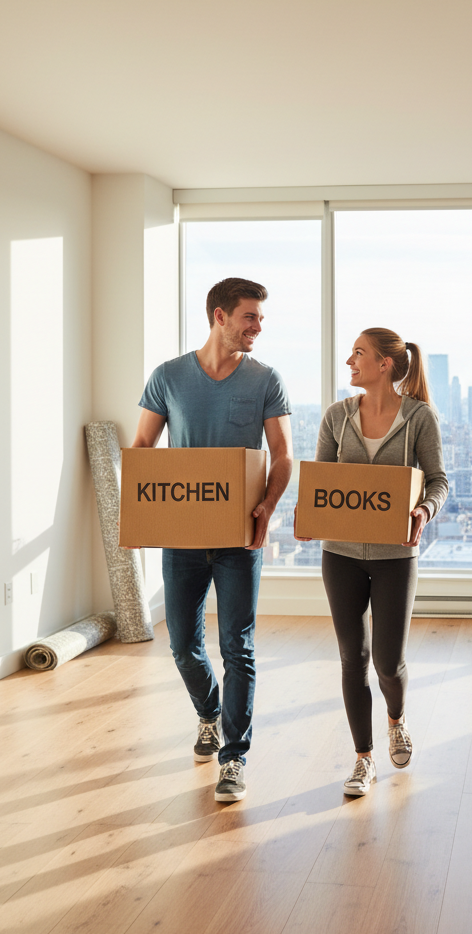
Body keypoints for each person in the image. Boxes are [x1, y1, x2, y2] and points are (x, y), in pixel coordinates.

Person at [132, 277, 293, 803]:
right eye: (250, 317)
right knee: (182, 645)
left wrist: (267, 507)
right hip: (182, 535)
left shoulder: (265, 380)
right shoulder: (168, 377)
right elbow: (142, 446)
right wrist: (152, 507)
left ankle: (235, 756)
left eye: (260, 319)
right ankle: (208, 713)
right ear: (219, 317)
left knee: (237, 647)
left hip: (239, 536)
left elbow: (283, 454)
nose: (258, 327)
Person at [299, 328, 447, 796]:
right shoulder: (336, 417)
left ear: (385, 364)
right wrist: (307, 512)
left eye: (359, 353)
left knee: (387, 661)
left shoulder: (419, 418)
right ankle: (363, 759)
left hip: (395, 556)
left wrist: (425, 508)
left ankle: (396, 720)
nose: (349, 361)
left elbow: (439, 480)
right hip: (340, 553)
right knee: (351, 657)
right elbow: (322, 480)